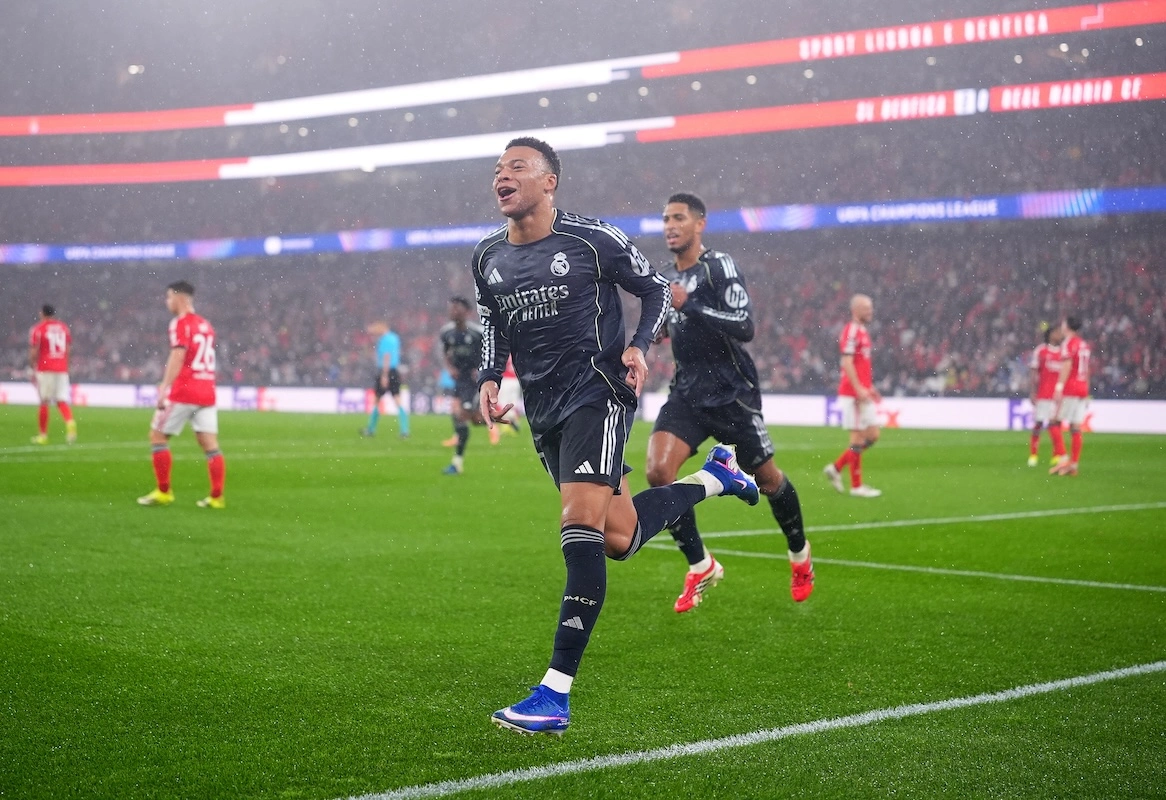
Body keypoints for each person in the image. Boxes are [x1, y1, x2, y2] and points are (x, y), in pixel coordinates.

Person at [474, 137, 759, 736]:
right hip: (547, 412)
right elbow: (493, 325)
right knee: (618, 537)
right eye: (498, 169)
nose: (503, 176)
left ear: (549, 182)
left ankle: (554, 694)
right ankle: (717, 477)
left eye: (517, 167)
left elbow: (655, 289)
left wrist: (638, 343)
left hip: (598, 392)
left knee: (578, 527)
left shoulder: (591, 239)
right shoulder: (488, 258)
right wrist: (489, 377)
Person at [646, 193, 813, 613]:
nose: (670, 225)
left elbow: (745, 326)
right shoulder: (667, 276)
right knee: (658, 472)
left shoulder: (719, 267)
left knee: (770, 480)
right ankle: (700, 564)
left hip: (731, 393)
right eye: (666, 218)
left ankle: (800, 555)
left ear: (699, 224)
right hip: (687, 393)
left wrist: (692, 304)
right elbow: (672, 327)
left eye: (679, 218)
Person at [137, 281, 227, 509]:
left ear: (180, 298)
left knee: (157, 437)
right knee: (210, 444)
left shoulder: (180, 323)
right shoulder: (206, 325)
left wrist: (164, 388)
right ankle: (217, 497)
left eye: (169, 298)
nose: (167, 303)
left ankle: (163, 491)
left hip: (185, 390)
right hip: (207, 390)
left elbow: (178, 356)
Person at [823, 294, 882, 498]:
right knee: (857, 438)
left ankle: (837, 467)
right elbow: (847, 362)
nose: (870, 311)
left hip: (863, 391)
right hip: (853, 393)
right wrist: (858, 388)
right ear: (855, 310)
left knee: (873, 435)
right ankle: (857, 486)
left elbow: (861, 364)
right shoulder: (852, 330)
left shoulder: (864, 331)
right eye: (867, 308)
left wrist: (869, 387)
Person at [439, 295, 491, 473]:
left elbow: (490, 352)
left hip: (473, 380)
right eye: (451, 307)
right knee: (462, 416)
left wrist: (482, 369)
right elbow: (445, 352)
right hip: (459, 379)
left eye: (456, 308)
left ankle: (457, 462)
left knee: (469, 418)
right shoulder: (447, 333)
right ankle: (457, 462)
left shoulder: (477, 332)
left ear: (466, 311)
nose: (452, 311)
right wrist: (449, 367)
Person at [28, 304, 76, 445]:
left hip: (45, 367)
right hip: (61, 368)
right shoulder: (63, 328)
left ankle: (43, 436)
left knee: (44, 401)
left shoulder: (38, 329)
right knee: (61, 400)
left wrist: (32, 366)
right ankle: (70, 422)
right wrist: (66, 365)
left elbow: (34, 350)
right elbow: (68, 348)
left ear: (42, 313)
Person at [1050, 316, 1091, 476]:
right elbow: (1087, 369)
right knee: (1075, 427)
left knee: (1054, 423)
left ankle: (1063, 460)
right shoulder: (1083, 345)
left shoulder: (1069, 343)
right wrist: (1086, 389)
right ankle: (1073, 465)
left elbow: (1067, 365)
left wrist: (1059, 387)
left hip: (1071, 388)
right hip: (1081, 388)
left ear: (1067, 327)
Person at [360, 321, 410, 438]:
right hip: (394, 371)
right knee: (397, 400)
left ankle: (371, 429)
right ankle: (405, 430)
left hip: (386, 371)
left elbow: (387, 356)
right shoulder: (395, 338)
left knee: (377, 400)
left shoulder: (385, 339)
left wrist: (384, 375)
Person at [1027, 324, 1066, 467]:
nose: (1059, 335)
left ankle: (1056, 455)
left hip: (1058, 397)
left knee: (1056, 425)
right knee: (1038, 424)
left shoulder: (1064, 352)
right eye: (1056, 332)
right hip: (1043, 395)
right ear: (1050, 335)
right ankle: (1033, 454)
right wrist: (1032, 392)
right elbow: (1033, 372)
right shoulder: (1041, 351)